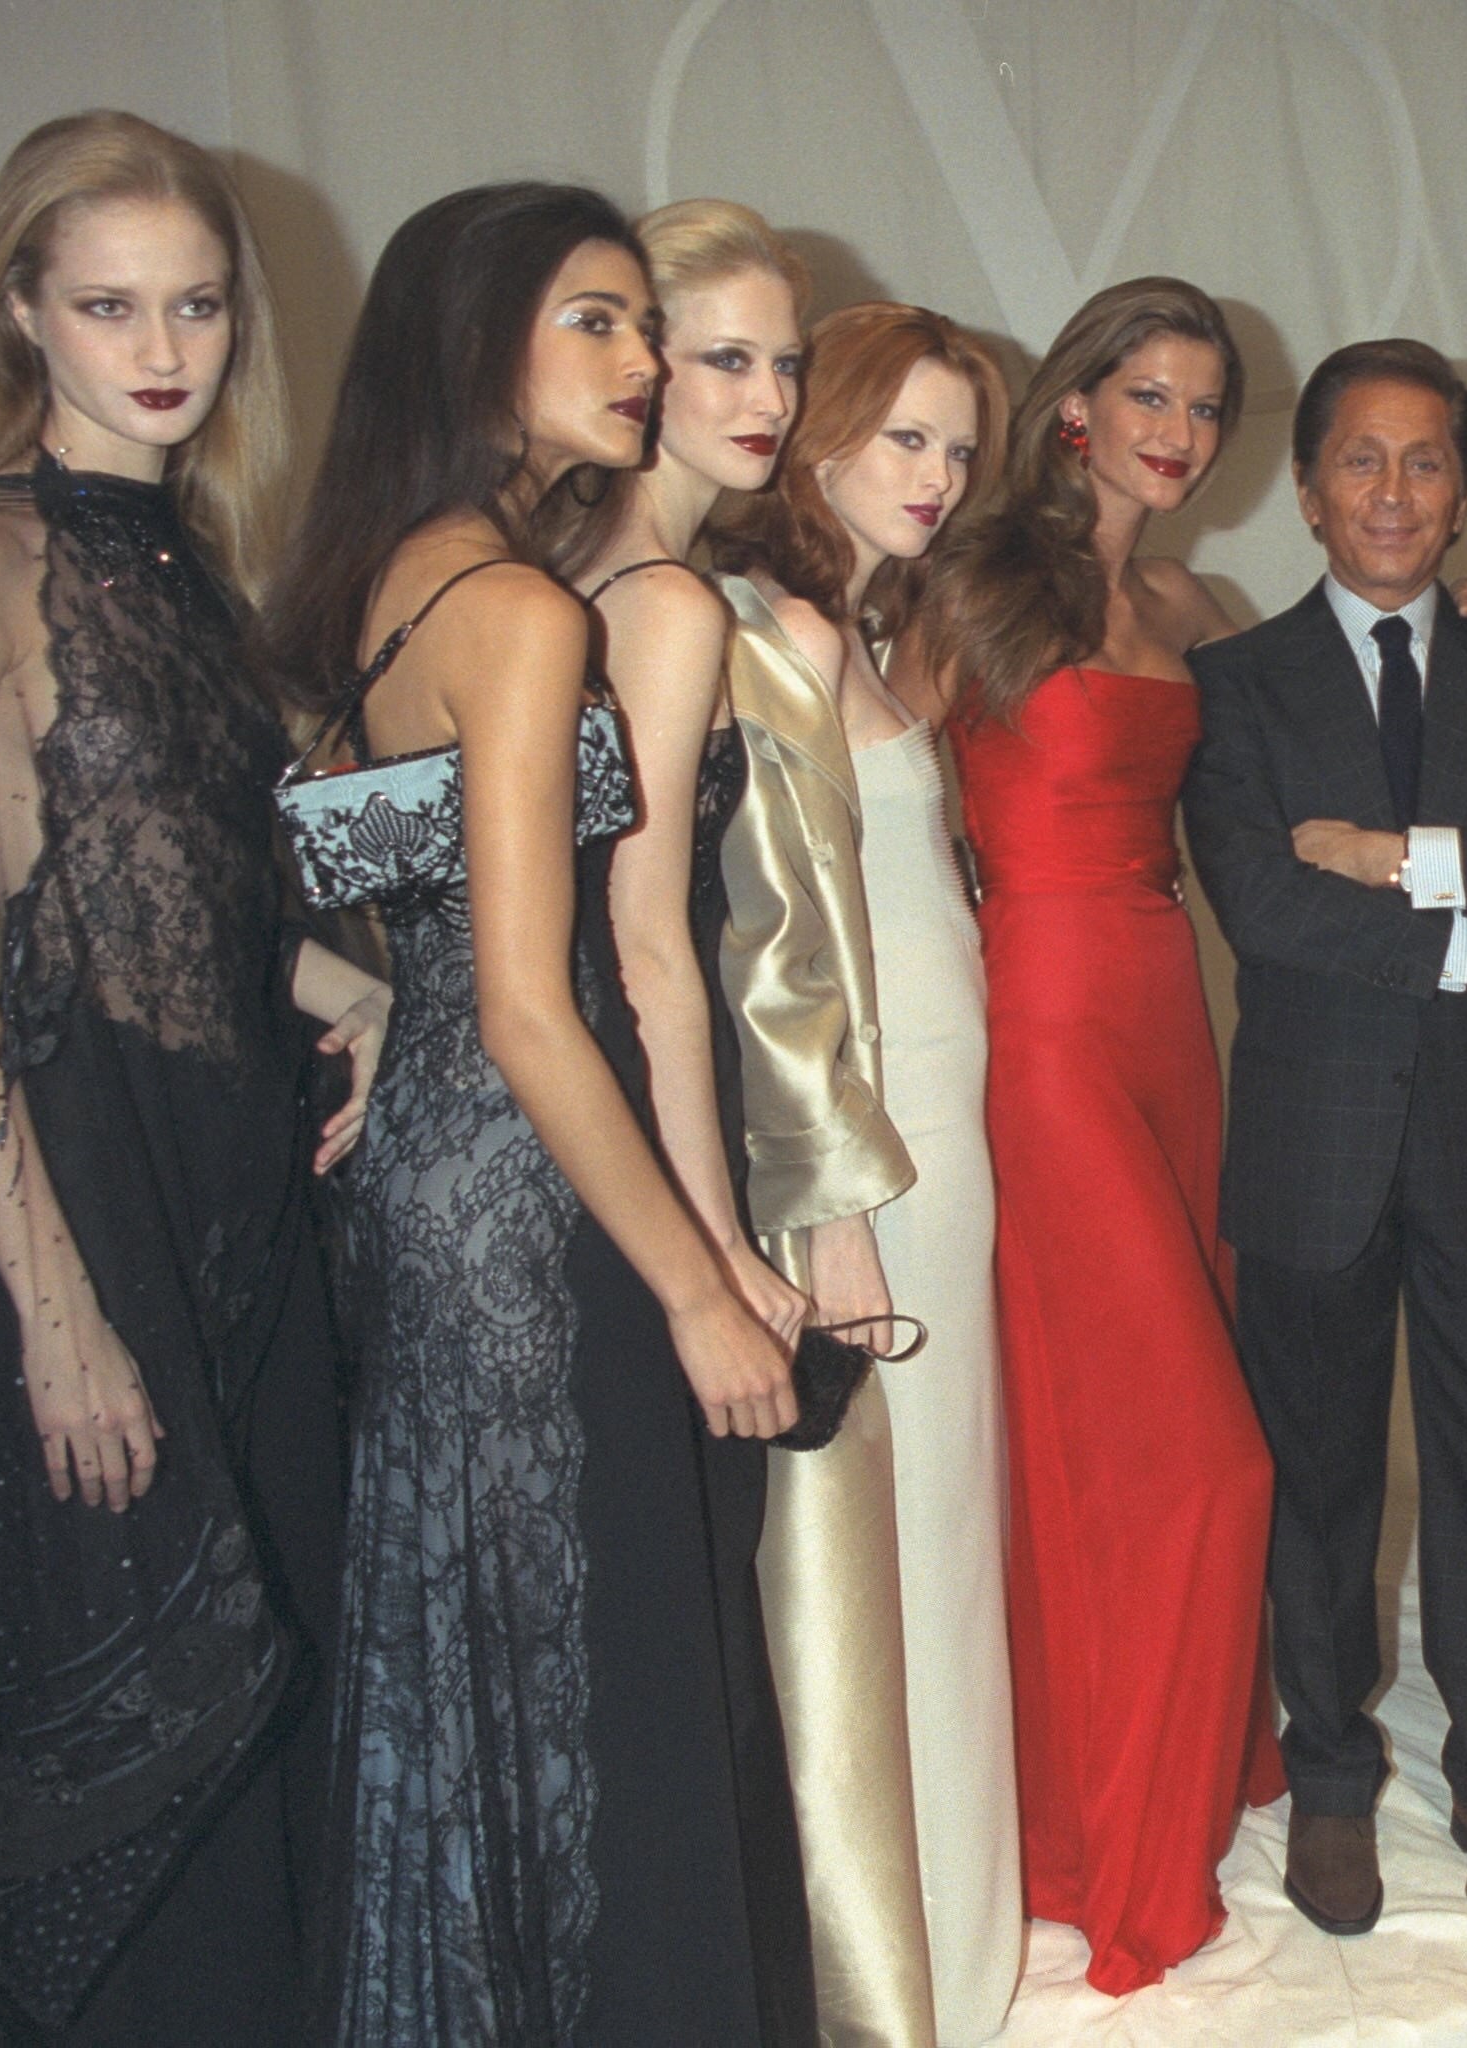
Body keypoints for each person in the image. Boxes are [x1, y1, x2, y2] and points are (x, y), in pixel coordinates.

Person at [0, 111, 373, 2040]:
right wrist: (57, 1319)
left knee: (283, 1734)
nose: (162, 350)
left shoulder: (202, 569)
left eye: (197, 306)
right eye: (108, 305)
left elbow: (181, 891)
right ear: (21, 311)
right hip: (83, 1207)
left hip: (250, 1211)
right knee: (151, 1761)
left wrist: (353, 990)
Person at [268, 182, 804, 2040]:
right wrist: (701, 1287)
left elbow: (333, 866)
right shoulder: (512, 610)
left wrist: (371, 1026)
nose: (641, 358)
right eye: (598, 319)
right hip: (524, 1185)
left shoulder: (387, 579)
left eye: (643, 323)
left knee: (476, 1666)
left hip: (432, 1172)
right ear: (475, 340)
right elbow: (531, 1003)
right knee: (593, 1683)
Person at [1180, 339, 1467, 1940]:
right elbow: (1263, 902)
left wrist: (1394, 856)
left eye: (1426, 460)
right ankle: (1328, 1775)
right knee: (1315, 1484)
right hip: (1307, 1139)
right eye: (1360, 460)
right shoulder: (1237, 681)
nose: (1393, 490)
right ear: (1308, 491)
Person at [890, 275, 1280, 1996]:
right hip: (1038, 1023)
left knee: (1114, 1425)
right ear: (1076, 405)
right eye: (1148, 395)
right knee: (1188, 1453)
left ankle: (1124, 1769)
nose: (1177, 433)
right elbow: (862, 799)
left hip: (1164, 1011)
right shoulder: (973, 579)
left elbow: (1303, 755)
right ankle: (1109, 1836)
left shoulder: (1196, 601)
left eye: (1203, 406)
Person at [711, 287, 1025, 2045]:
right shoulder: (771, 628)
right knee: (876, 1546)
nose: (935, 474)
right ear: (817, 428)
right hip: (872, 1143)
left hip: (942, 1128)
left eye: (956, 448)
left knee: (943, 1525)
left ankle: (945, 1937)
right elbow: (780, 948)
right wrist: (835, 1207)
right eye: (902, 435)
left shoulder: (868, 623)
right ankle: (889, 1967)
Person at [573, 196, 827, 2046]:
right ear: (641, 364)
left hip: (558, 1142)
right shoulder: (659, 603)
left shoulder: (536, 578)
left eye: (785, 362)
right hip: (639, 1154)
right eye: (725, 357)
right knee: (678, 1635)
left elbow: (348, 840)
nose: (767, 397)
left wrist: (373, 1014)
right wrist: (719, 1251)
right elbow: (650, 949)